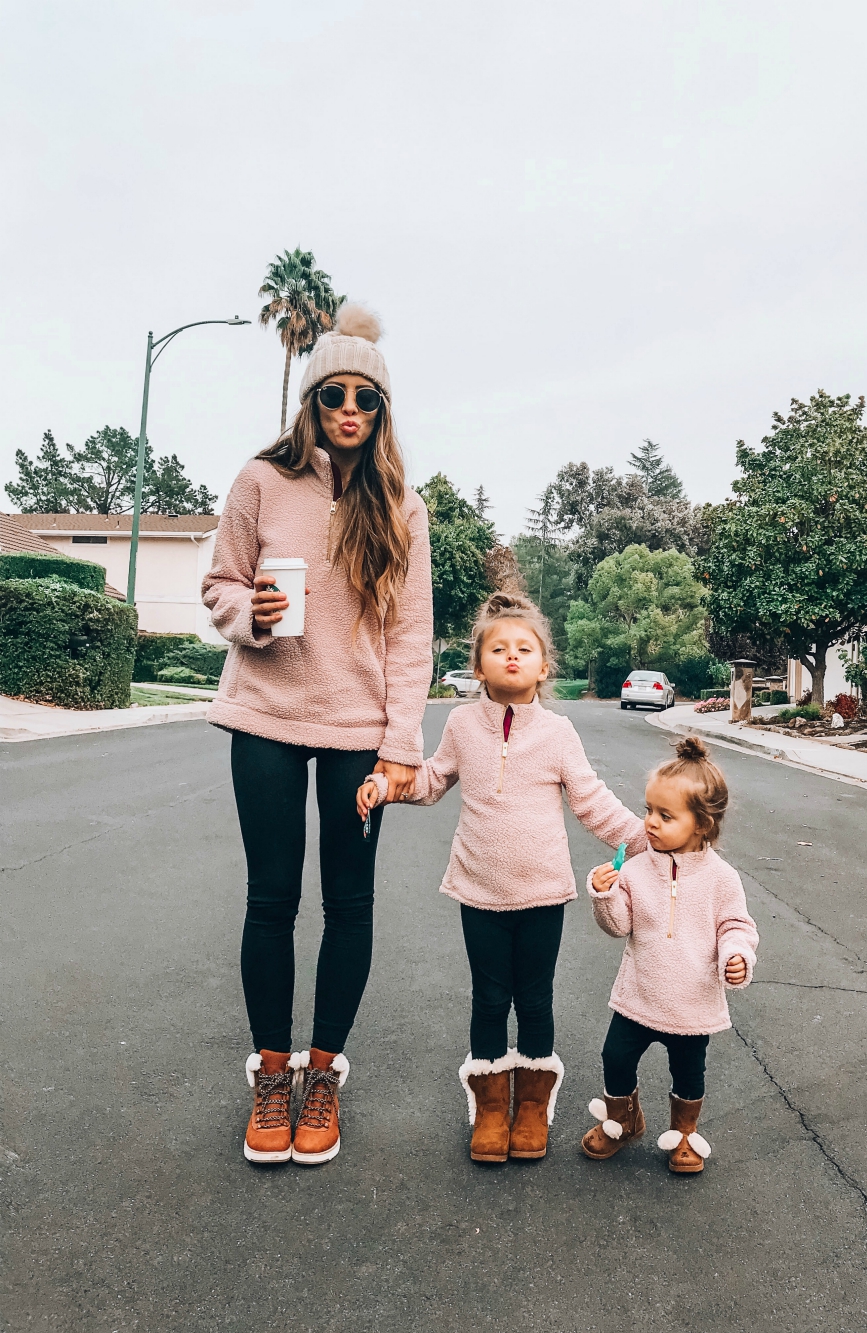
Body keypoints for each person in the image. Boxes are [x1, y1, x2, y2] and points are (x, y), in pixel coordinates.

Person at [202, 303, 433, 1167]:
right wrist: (248, 614)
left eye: (365, 398)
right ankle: (270, 1074)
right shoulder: (260, 480)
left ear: (380, 411)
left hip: (356, 728)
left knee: (350, 901)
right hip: (264, 710)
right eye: (333, 393)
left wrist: (401, 742)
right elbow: (219, 584)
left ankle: (325, 1071)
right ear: (310, 401)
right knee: (271, 898)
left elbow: (412, 636)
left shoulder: (403, 505)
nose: (348, 409)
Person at [357, 592, 646, 1164]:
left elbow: (593, 803)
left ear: (543, 666)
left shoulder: (558, 733)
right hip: (478, 890)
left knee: (535, 1000)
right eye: (497, 648)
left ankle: (532, 1108)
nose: (511, 656)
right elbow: (434, 778)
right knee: (489, 999)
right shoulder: (463, 724)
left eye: (524, 648)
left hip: (543, 893)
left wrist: (649, 839)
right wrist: (389, 785)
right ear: (479, 663)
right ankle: (490, 1109)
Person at [581, 736, 758, 1174]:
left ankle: (683, 1136)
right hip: (639, 995)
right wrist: (606, 895)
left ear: (701, 824)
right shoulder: (637, 869)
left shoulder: (721, 879)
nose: (650, 823)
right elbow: (618, 926)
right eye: (648, 810)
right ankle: (622, 1119)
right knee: (615, 1057)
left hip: (692, 1004)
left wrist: (736, 955)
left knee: (689, 1072)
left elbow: (737, 927)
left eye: (665, 815)